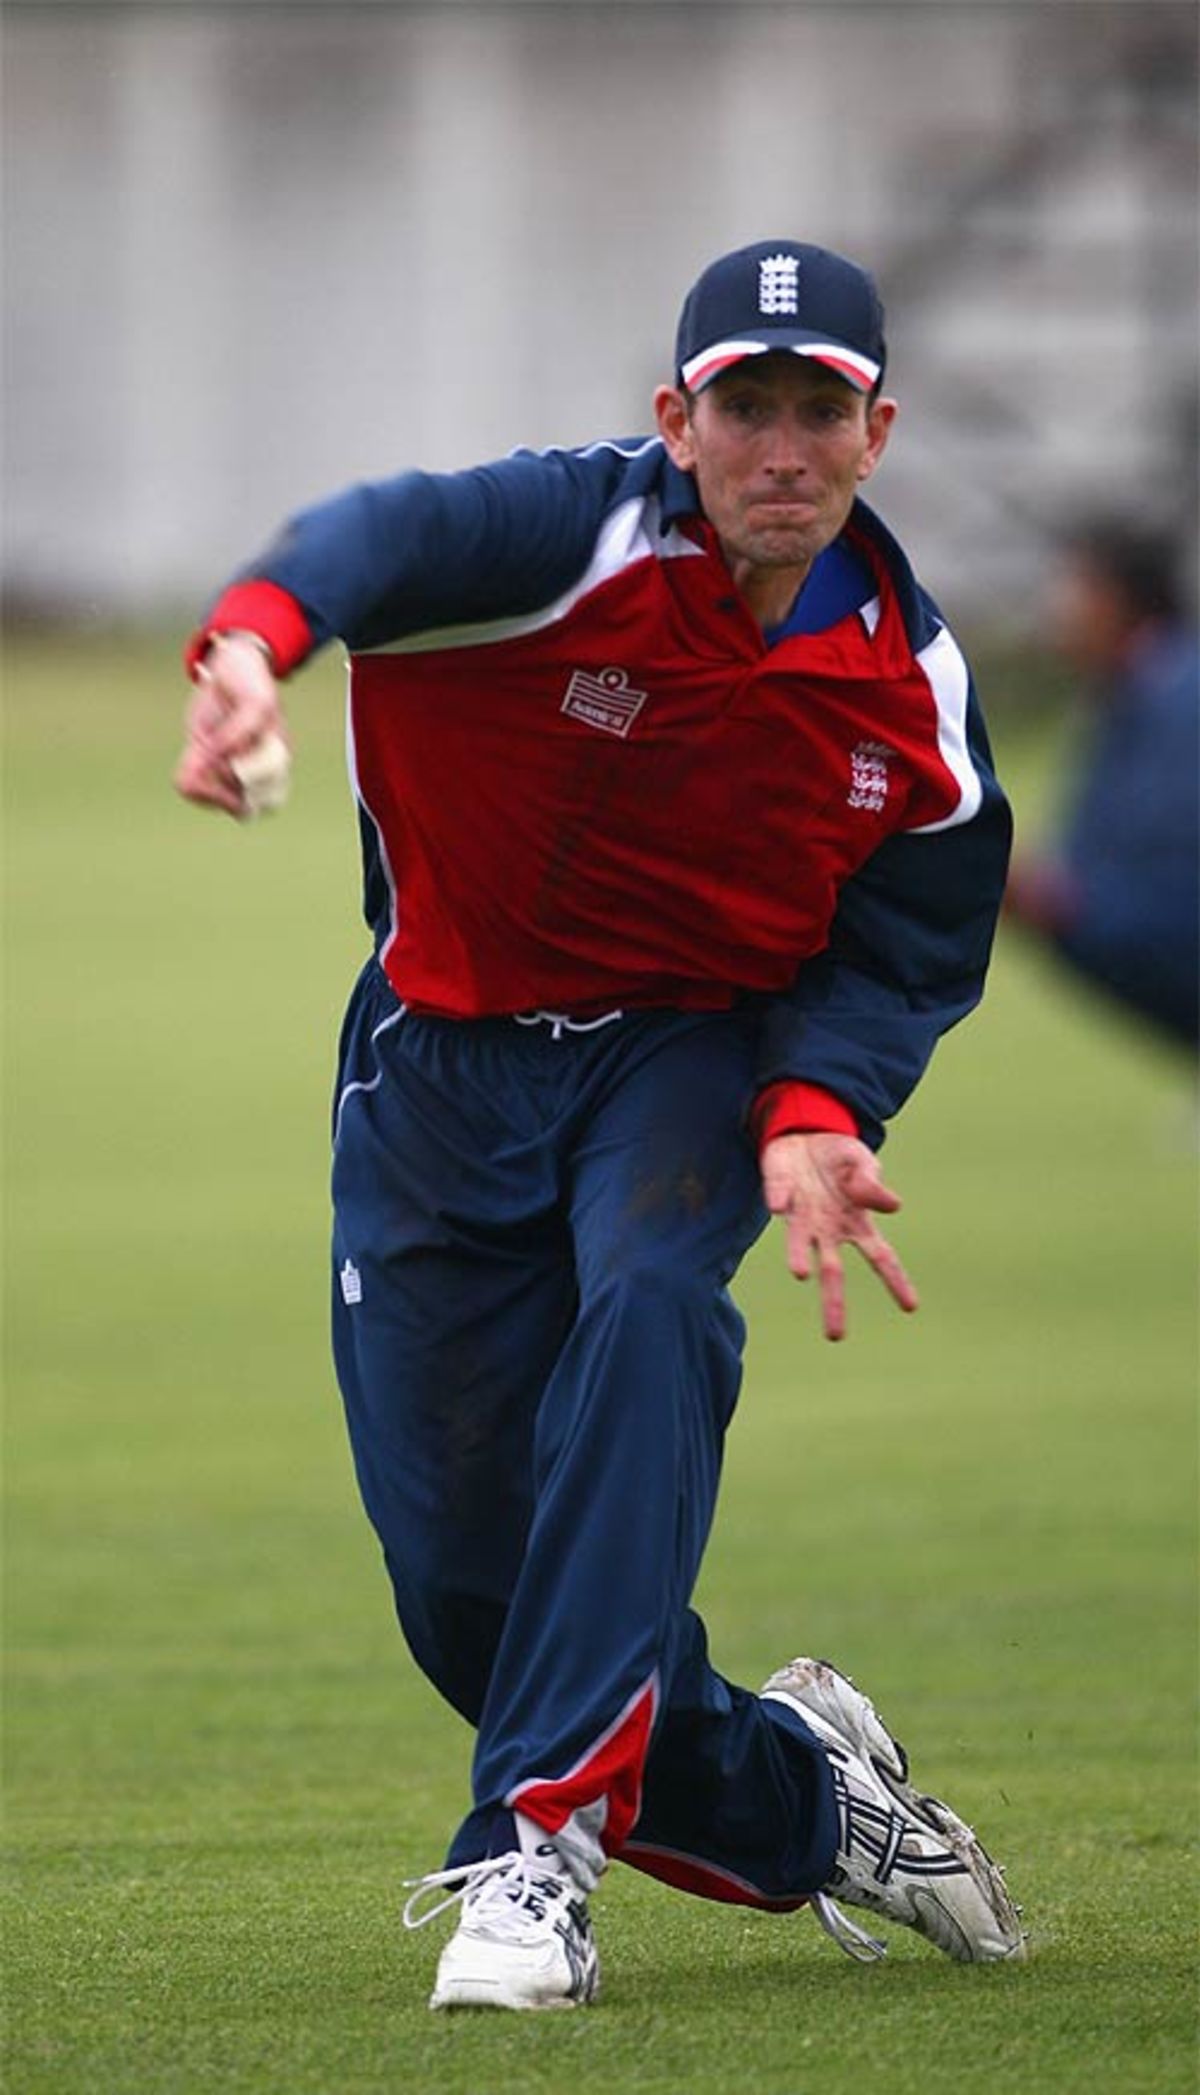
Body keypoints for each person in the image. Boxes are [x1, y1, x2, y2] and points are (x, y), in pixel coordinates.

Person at [176, 238, 1025, 2009]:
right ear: (677, 419)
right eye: (745, 407)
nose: (781, 446)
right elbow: (366, 544)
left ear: (879, 431)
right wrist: (251, 655)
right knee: (460, 1585)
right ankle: (806, 1797)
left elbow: (914, 939)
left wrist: (813, 1108)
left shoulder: (910, 695)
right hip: (436, 1070)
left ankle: (530, 1854)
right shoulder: (560, 540)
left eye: (821, 409)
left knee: (651, 1311)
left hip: (684, 1067)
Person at [1005, 517, 1199, 1050]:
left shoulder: (1179, 705)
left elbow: (1171, 893)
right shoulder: (1134, 696)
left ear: (1117, 598)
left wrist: (1052, 903)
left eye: (1071, 587)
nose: (1054, 611)